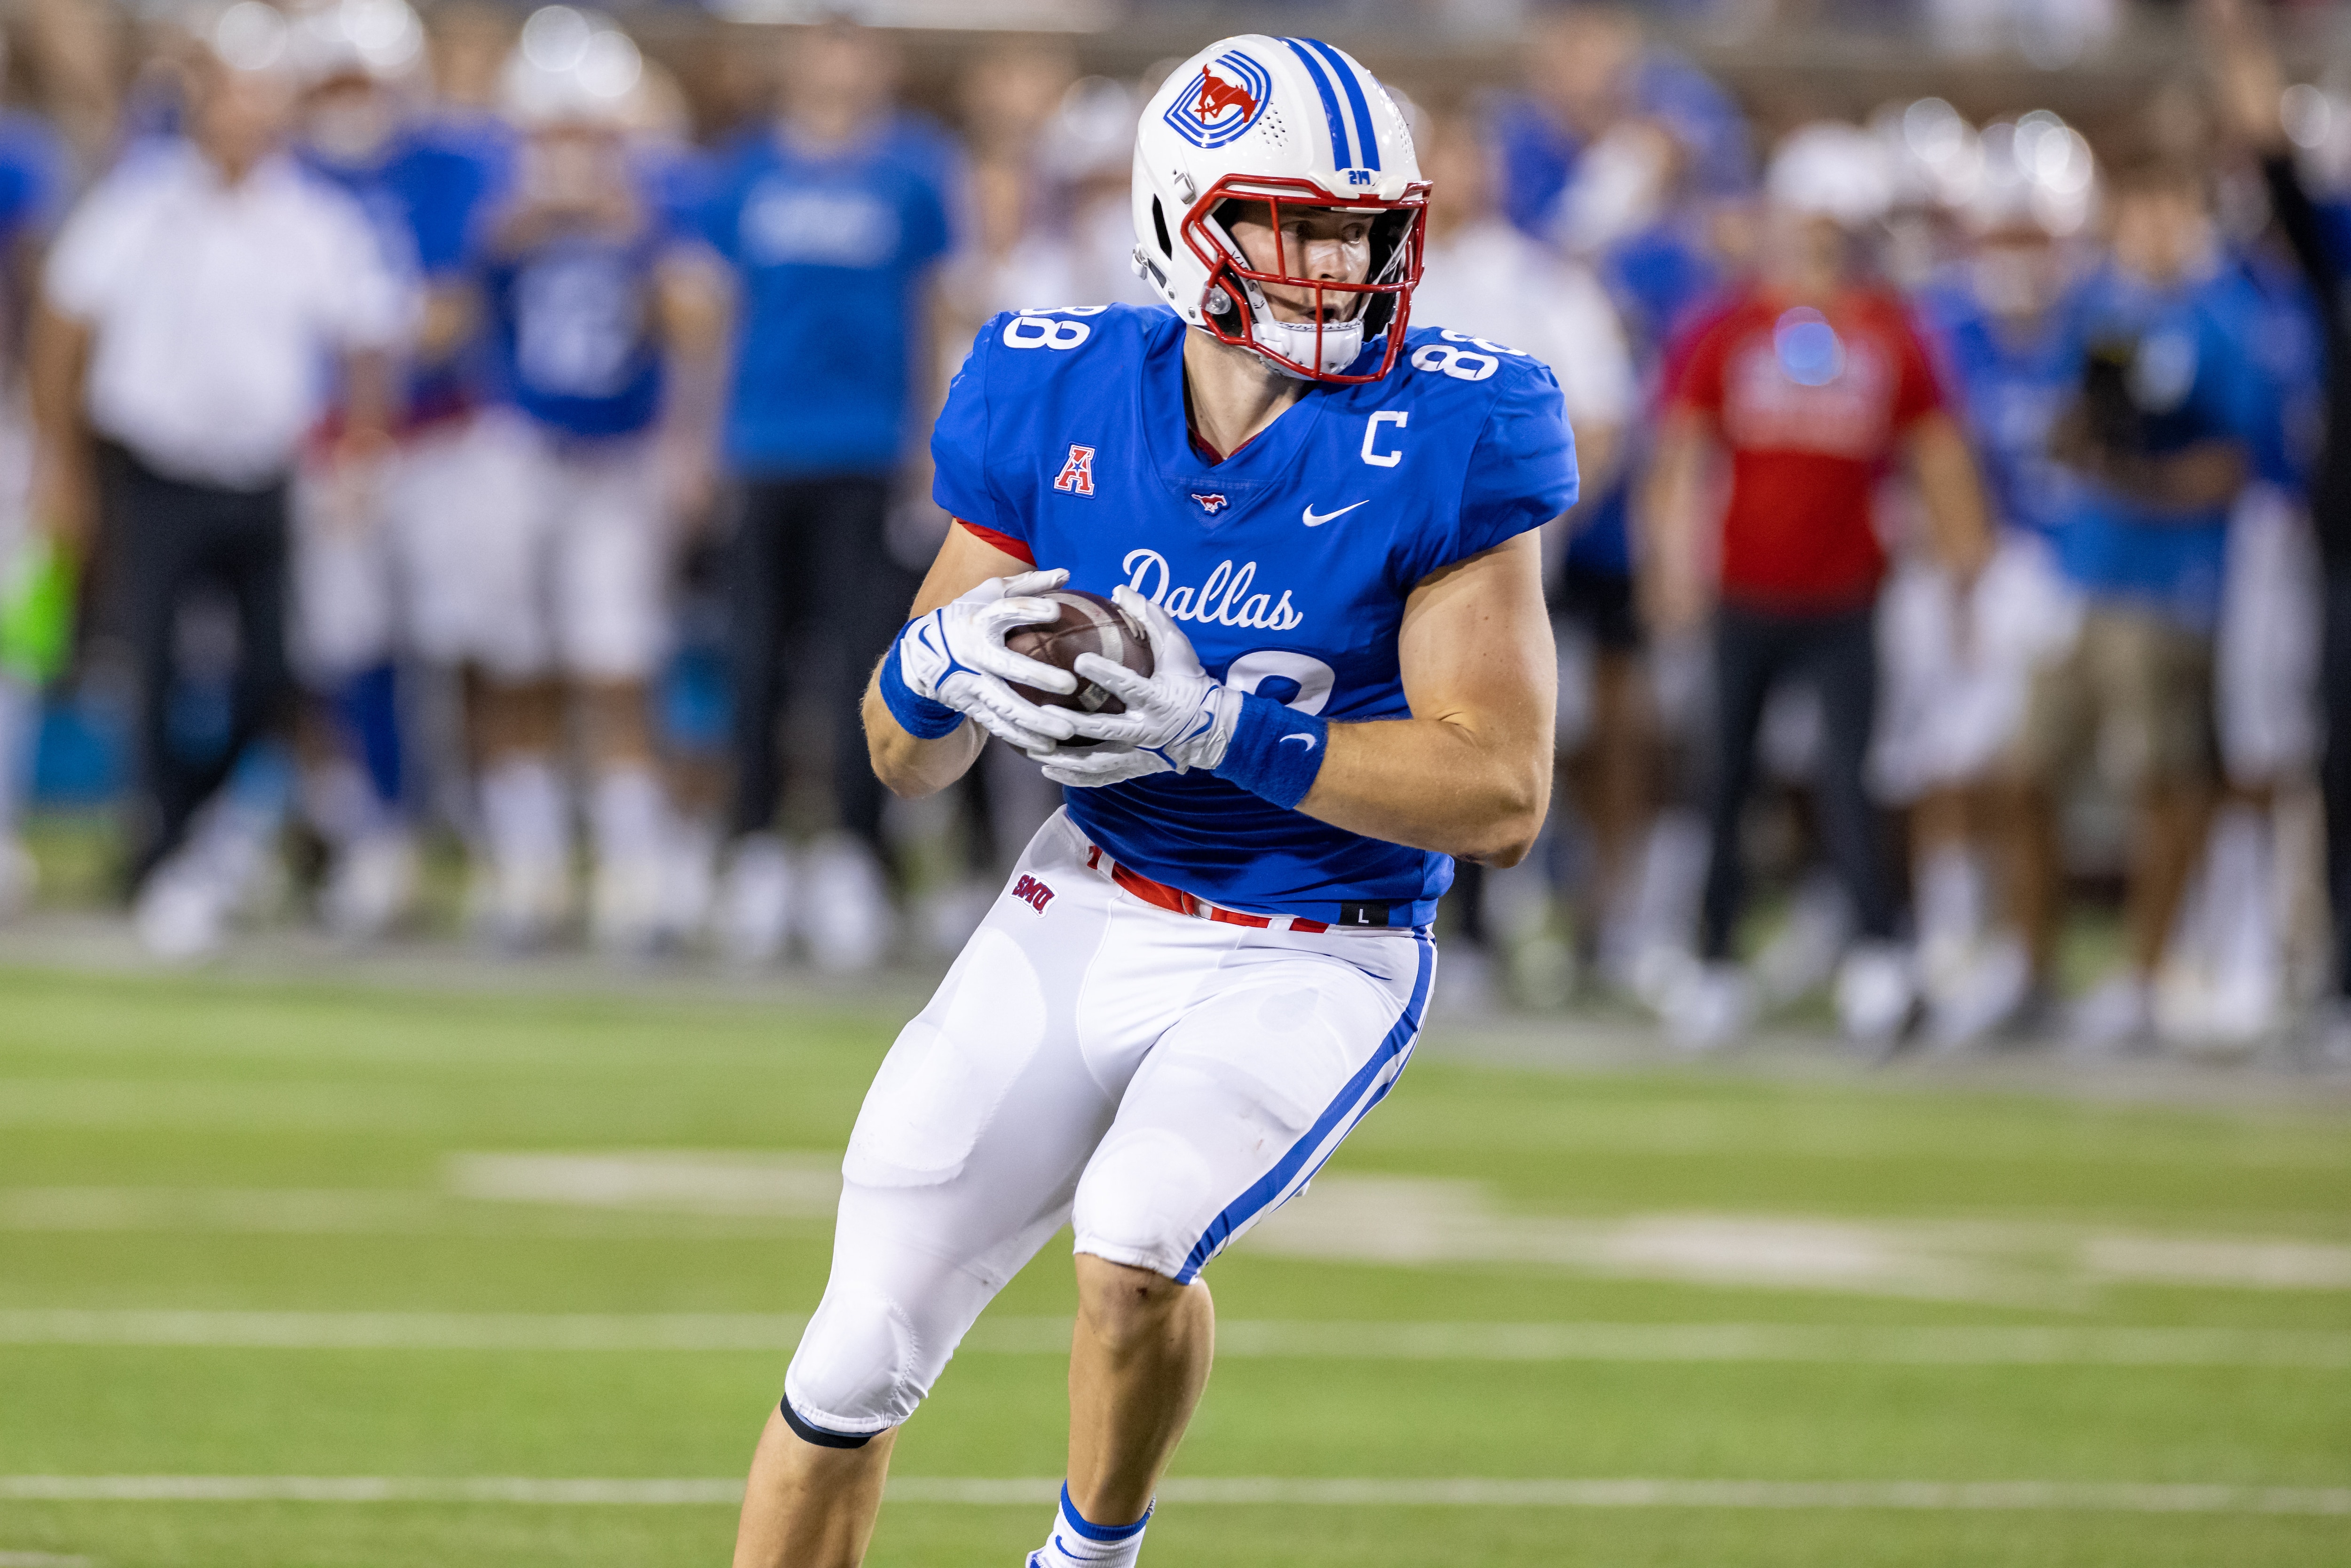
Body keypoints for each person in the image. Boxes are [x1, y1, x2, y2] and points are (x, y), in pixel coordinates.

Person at [730, 36, 1571, 1568]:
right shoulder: (1052, 380)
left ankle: (1087, 1554)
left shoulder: (1455, 422)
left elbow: (1501, 791)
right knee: (856, 1343)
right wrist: (930, 669)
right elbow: (902, 755)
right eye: (1296, 224)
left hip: (1320, 934)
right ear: (1183, 220)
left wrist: (1210, 725)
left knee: (1133, 1237)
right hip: (1093, 891)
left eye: (1365, 228)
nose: (1342, 263)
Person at [28, 28, 405, 958]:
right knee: (151, 666)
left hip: (260, 472)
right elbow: (64, 326)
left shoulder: (316, 218)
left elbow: (369, 335)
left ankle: (195, 829)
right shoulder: (141, 201)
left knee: (275, 668)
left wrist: (360, 448)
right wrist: (62, 464)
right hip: (155, 468)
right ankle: (161, 853)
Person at [1641, 122, 1994, 1050]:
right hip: (1745, 590)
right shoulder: (1725, 325)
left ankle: (1877, 954)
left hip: (1845, 593)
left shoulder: (1891, 332)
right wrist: (1671, 563)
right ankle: (1714, 958)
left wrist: (1966, 571)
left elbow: (1939, 455)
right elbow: (1677, 455)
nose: (1819, 237)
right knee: (1724, 781)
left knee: (1848, 781)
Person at [440, 16, 725, 952]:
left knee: (616, 663)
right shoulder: (493, 191)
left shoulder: (662, 196)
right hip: (517, 446)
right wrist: (508, 234)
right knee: (514, 662)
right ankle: (528, 869)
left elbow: (698, 319)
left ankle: (633, 870)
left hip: (620, 454)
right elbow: (440, 320)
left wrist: (633, 236)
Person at [695, 21, 956, 971]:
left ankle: (855, 849)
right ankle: (758, 844)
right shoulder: (750, 171)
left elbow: (932, 308)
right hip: (764, 445)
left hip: (863, 447)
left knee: (863, 656)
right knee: (757, 656)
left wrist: (932, 442)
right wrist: (698, 441)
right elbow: (720, 313)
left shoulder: (914, 174)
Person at [1993, 152, 2262, 1050]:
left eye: (2164, 209)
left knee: (2161, 780)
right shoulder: (2093, 304)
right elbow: (2061, 417)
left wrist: (2139, 472)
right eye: (2135, 210)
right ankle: (2033, 968)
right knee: (2028, 772)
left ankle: (2147, 976)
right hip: (2079, 569)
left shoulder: (2227, 318)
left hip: (2169, 578)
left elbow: (2238, 463)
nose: (2147, 228)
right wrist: (2081, 436)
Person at [286, 3, 513, 941]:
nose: (350, 103)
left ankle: (498, 835)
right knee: (350, 646)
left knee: (465, 644)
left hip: (441, 438)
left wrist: (374, 339)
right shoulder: (291, 171)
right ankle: (377, 827)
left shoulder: (453, 164)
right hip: (331, 441)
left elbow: (453, 310)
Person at [1411, 111, 1634, 1002]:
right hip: (1385, 551)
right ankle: (1434, 920)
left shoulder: (1540, 284)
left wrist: (1527, 519)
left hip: (1504, 558)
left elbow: (1603, 419)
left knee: (1514, 736)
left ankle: (1535, 923)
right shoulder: (1378, 280)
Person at [1888, 121, 2092, 1044]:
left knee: (2023, 777)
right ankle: (1947, 942)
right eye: (2004, 235)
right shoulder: (1943, 327)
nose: (2017, 257)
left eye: (2035, 236)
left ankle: (2023, 956)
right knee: (1938, 766)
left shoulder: (2103, 319)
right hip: (1956, 566)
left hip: (2065, 565)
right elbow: (1918, 459)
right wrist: (1956, 560)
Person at [0, 62, 69, 921]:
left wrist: (47, 438)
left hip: (7, 421)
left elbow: (41, 294)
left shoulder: (18, 158)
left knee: (13, 643)